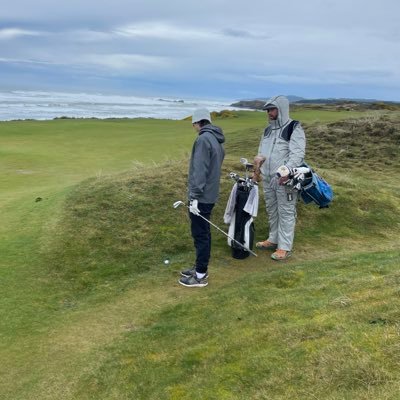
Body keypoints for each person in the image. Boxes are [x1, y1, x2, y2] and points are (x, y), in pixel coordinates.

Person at [254, 95, 306, 260]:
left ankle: (284, 247)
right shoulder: (268, 130)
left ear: (281, 108)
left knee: (286, 211)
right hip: (268, 178)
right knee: (272, 210)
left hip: (284, 179)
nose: (269, 113)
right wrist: (257, 168)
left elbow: (297, 154)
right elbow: (262, 152)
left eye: (272, 109)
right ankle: (273, 239)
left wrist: (286, 172)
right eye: (268, 110)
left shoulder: (293, 127)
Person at [179, 108, 225, 287]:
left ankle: (200, 276)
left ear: (197, 123)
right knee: (203, 232)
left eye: (193, 123)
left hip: (202, 196)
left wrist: (194, 197)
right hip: (210, 194)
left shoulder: (203, 139)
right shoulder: (215, 139)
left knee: (200, 234)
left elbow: (200, 171)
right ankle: (199, 267)